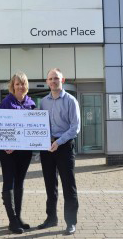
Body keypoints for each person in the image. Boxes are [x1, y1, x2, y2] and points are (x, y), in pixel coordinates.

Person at [37, 68, 80, 236]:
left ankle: (70, 222)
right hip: (47, 148)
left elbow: (75, 127)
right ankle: (51, 218)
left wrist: (59, 142)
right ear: (47, 82)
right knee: (50, 185)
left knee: (68, 186)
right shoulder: (43, 102)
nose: (53, 81)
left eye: (56, 78)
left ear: (62, 80)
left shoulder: (70, 100)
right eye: (50, 78)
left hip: (64, 147)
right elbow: (41, 125)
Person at [0, 72, 36, 234]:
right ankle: (12, 221)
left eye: (23, 83)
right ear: (12, 86)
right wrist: (7, 144)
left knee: (20, 183)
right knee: (9, 182)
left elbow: (34, 127)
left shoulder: (31, 103)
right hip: (8, 151)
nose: (20, 86)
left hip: (25, 151)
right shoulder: (6, 102)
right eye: (17, 84)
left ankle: (18, 217)